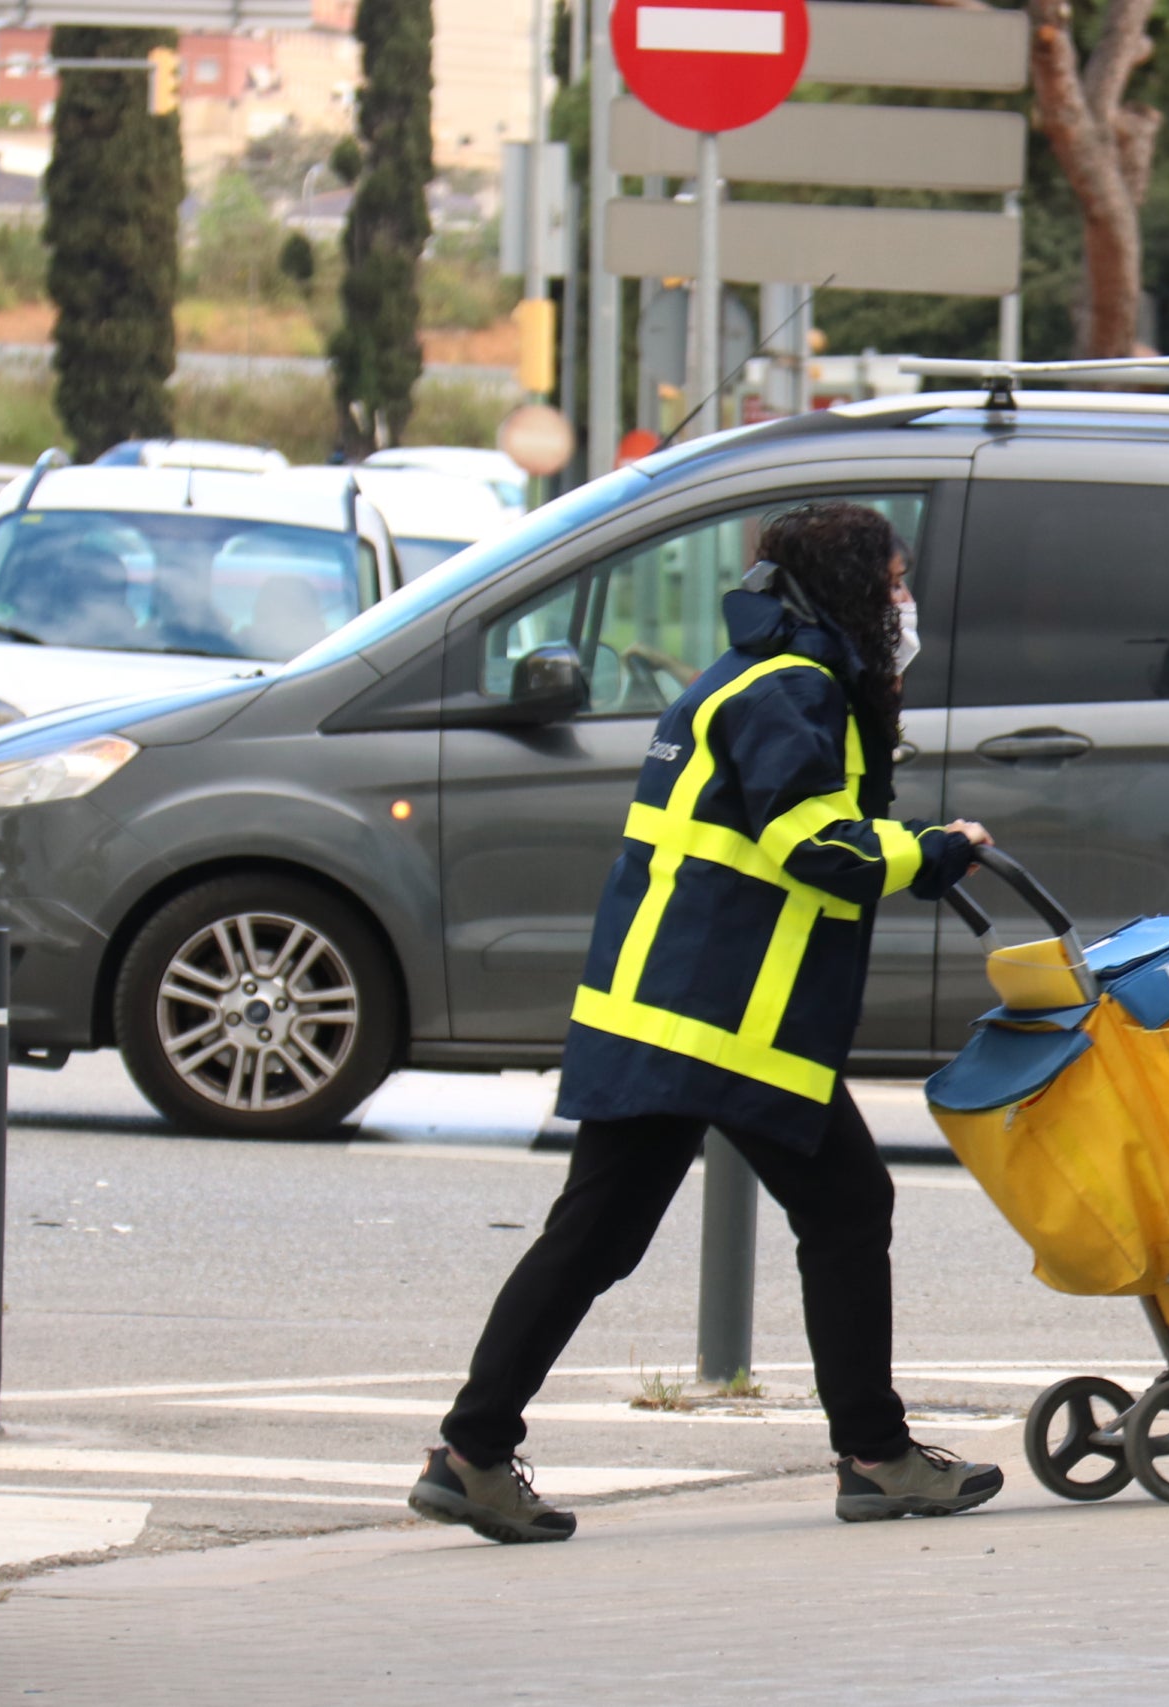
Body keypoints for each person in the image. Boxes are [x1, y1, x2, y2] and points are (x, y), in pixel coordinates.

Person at [411, 501, 1002, 1543]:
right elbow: (815, 843)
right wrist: (934, 851)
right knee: (840, 1210)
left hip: (683, 1010)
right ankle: (876, 1458)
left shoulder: (757, 676)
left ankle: (473, 1451)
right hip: (723, 1019)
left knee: (602, 1234)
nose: (906, 603)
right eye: (896, 583)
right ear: (853, 589)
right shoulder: (790, 690)